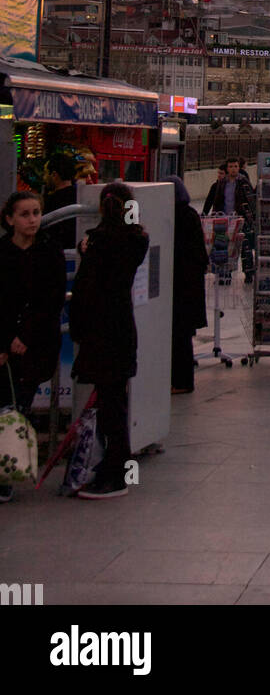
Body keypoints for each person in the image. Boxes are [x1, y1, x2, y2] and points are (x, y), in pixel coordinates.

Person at [68, 181, 149, 498]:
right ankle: (120, 468)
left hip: (99, 332)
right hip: (122, 329)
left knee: (109, 403)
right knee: (117, 402)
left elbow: (86, 289)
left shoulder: (96, 242)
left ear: (102, 207)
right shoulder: (136, 241)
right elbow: (132, 235)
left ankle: (115, 475)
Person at [0, 191, 67, 503]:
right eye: (24, 214)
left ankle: (6, 473)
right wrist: (6, 338)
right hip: (4, 344)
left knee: (18, 408)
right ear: (10, 219)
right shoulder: (2, 253)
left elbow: (50, 300)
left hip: (36, 345)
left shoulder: (48, 252)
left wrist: (24, 337)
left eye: (36, 213)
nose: (32, 220)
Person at [167, 176, 208, 394]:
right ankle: (181, 380)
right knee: (182, 336)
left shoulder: (179, 217)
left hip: (181, 289)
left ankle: (182, 382)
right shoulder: (189, 214)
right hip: (189, 288)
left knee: (179, 337)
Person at [203, 157, 255, 282]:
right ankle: (224, 273)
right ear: (227, 168)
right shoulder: (222, 183)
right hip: (224, 220)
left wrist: (250, 218)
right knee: (223, 247)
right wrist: (215, 216)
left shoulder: (243, 182)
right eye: (231, 167)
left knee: (245, 247)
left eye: (236, 166)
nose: (233, 169)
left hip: (240, 219)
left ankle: (248, 273)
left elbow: (250, 201)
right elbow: (216, 201)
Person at [41, 153, 80, 250]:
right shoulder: (81, 196)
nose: (44, 178)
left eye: (46, 173)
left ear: (54, 175)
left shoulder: (50, 201)